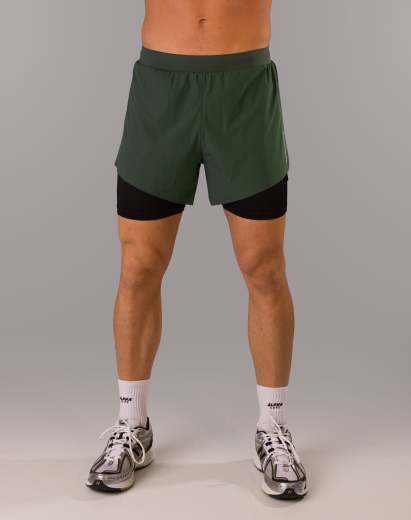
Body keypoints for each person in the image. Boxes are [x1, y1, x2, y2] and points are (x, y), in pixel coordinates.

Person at [86, 0, 307, 499]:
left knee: (264, 267)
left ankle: (273, 428)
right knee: (139, 265)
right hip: (162, 86)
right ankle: (132, 423)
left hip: (244, 88)